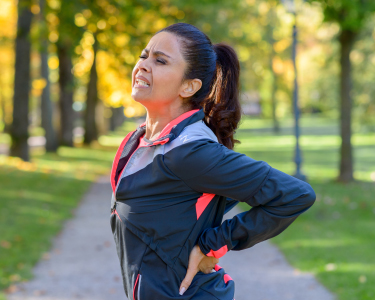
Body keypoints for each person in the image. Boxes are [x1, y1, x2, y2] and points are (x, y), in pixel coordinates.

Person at [109, 23, 316, 300]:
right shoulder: (139, 142)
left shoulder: (190, 152)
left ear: (189, 86)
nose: (144, 65)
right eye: (144, 55)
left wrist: (213, 245)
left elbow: (294, 195)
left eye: (160, 61)